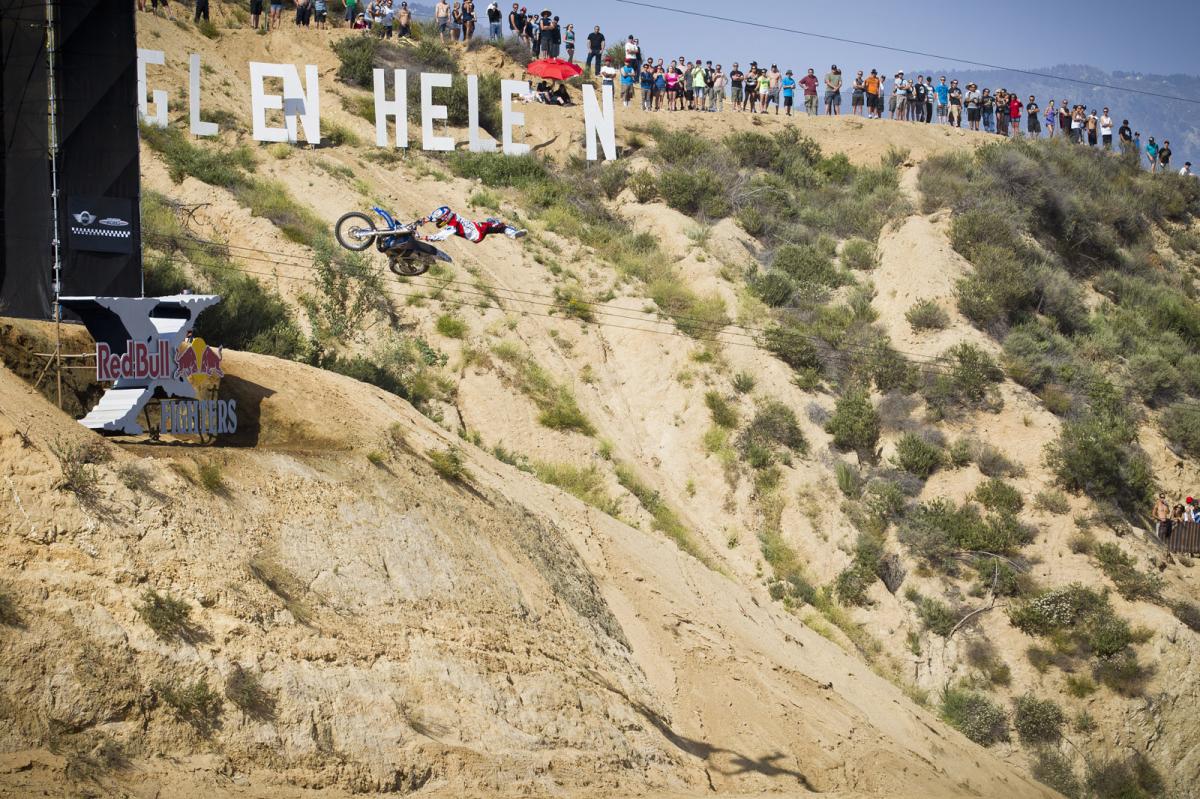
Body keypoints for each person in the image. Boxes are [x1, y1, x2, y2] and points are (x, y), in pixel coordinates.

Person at [417, 206, 526, 243]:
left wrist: (422, 237)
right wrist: (423, 220)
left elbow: (439, 237)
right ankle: (510, 231)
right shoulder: (452, 216)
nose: (437, 221)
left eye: (439, 220)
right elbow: (436, 216)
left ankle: (511, 233)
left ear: (445, 218)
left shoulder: (452, 227)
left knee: (496, 224)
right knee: (494, 223)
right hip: (476, 229)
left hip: (477, 231)